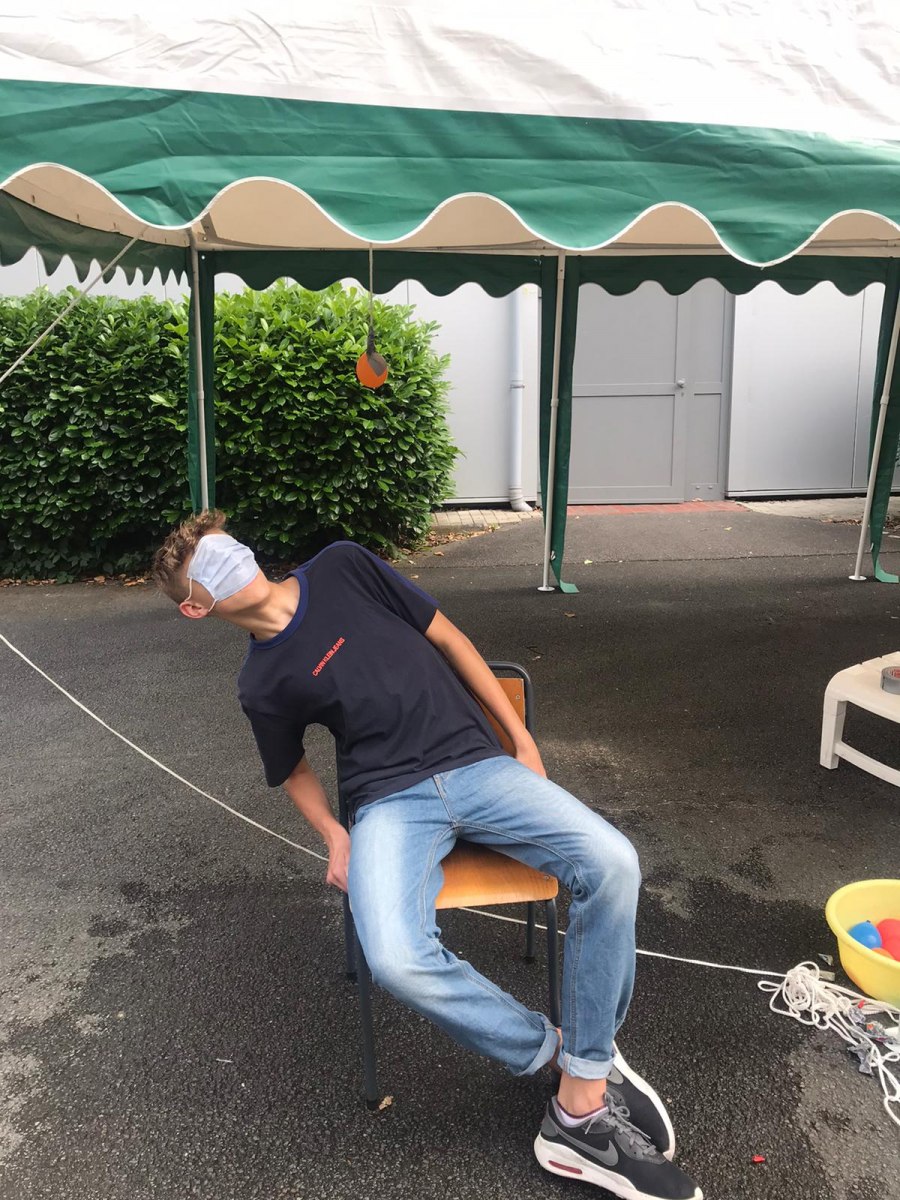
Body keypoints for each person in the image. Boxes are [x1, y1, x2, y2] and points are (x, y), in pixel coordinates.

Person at [152, 510, 702, 1200]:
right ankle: (571, 1063)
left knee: (613, 862)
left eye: (227, 548)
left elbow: (448, 636)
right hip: (390, 804)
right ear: (196, 607)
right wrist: (334, 835)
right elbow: (289, 767)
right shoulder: (260, 683)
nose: (232, 561)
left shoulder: (343, 566)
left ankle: (579, 1109)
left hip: (480, 767)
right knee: (395, 956)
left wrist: (521, 740)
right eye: (210, 568)